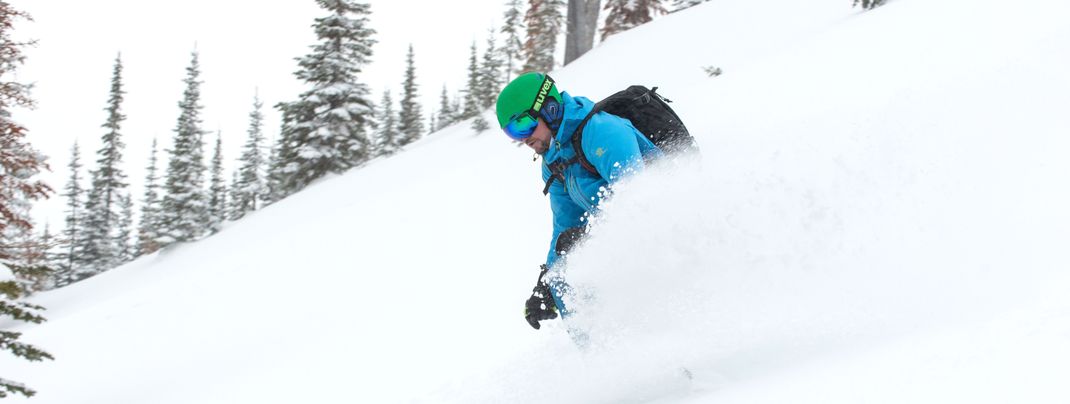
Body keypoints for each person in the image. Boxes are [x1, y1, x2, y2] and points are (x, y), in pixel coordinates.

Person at [495, 72, 664, 330]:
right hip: (620, 239)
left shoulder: (603, 132)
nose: (524, 139)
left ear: (549, 109)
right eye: (513, 133)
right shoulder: (554, 161)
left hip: (668, 231)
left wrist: (588, 238)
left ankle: (671, 351)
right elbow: (565, 227)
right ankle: (601, 362)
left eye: (524, 125)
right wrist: (548, 282)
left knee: (587, 263)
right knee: (567, 276)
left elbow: (640, 198)